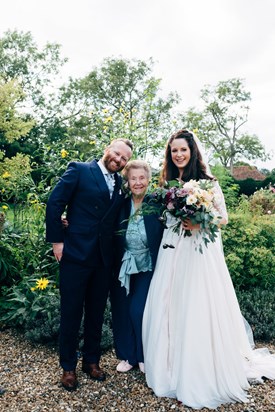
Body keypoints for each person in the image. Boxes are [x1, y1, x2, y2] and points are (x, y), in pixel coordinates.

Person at [142, 129, 275, 409]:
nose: (178, 154)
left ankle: (197, 373)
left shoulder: (206, 181)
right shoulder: (166, 182)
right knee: (170, 304)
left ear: (192, 152)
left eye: (183, 150)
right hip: (172, 248)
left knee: (195, 305)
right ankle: (169, 369)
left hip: (198, 252)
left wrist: (199, 222)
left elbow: (222, 217)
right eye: (174, 150)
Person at [46, 138, 133, 391]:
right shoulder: (80, 170)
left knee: (96, 313)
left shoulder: (120, 183)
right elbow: (55, 203)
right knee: (71, 312)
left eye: (124, 159)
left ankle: (91, 361)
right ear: (108, 149)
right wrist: (57, 241)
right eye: (117, 154)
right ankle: (68, 367)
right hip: (75, 254)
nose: (118, 160)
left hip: (104, 259)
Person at [110, 160, 164, 373]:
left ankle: (143, 355)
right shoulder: (121, 204)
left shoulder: (157, 203)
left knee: (138, 310)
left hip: (148, 265)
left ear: (148, 180)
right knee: (122, 310)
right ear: (128, 181)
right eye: (133, 178)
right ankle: (127, 356)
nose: (138, 182)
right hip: (123, 264)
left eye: (142, 178)